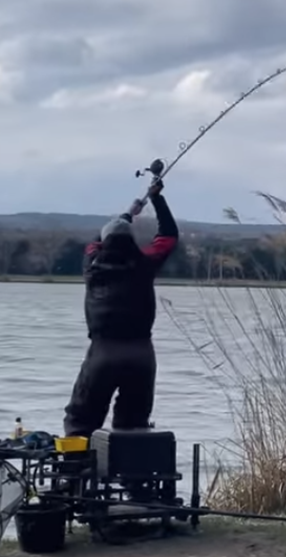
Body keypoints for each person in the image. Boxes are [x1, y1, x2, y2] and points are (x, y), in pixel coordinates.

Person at [63, 178, 179, 438]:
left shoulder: (92, 267)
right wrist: (157, 198)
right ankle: (133, 477)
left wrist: (126, 214)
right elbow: (169, 236)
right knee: (133, 425)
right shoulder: (145, 264)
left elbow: (94, 243)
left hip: (104, 354)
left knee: (81, 419)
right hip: (142, 356)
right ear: (131, 240)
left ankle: (75, 474)